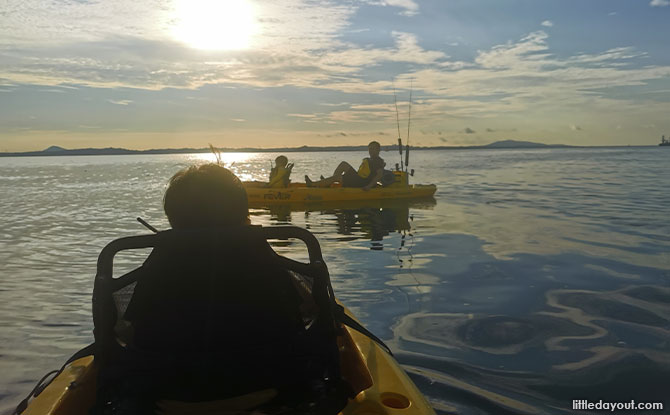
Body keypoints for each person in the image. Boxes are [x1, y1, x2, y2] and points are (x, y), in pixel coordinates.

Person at [305, 141, 385, 191]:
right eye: (370, 149)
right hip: (358, 178)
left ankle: (312, 184)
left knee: (337, 177)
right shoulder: (369, 159)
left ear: (378, 150)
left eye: (373, 149)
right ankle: (328, 183)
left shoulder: (377, 161)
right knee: (343, 164)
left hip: (362, 183)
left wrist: (368, 187)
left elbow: (379, 175)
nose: (371, 151)